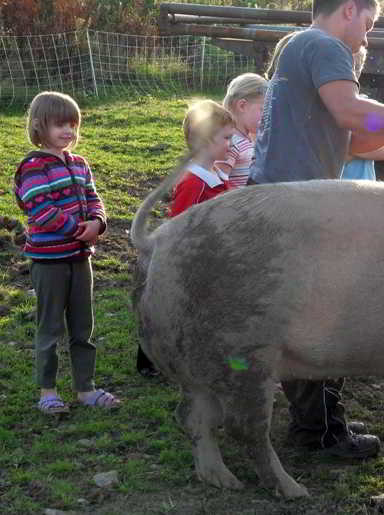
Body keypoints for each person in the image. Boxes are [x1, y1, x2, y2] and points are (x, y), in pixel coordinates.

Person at [248, 0, 384, 460]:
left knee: (299, 312)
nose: (368, 37)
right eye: (369, 24)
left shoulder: (295, 46)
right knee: (320, 315)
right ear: (348, 11)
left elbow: (358, 138)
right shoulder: (325, 46)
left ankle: (315, 424)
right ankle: (321, 435)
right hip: (297, 202)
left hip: (274, 195)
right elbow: (349, 112)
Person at [13, 91, 121, 414]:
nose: (68, 131)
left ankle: (85, 388)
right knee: (49, 328)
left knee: (82, 327)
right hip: (49, 262)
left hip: (80, 258)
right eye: (60, 124)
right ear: (39, 126)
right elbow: (42, 210)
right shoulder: (32, 167)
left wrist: (98, 223)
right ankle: (47, 391)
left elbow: (93, 198)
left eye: (72, 124)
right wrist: (79, 230)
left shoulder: (79, 163)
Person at [136, 100, 234, 377]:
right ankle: (151, 359)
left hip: (212, 256)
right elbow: (179, 223)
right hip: (193, 260)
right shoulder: (193, 181)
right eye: (226, 138)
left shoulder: (214, 174)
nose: (231, 144)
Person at [169, 100, 235, 216]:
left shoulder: (217, 174)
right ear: (205, 139)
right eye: (227, 137)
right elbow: (178, 227)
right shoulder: (192, 184)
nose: (233, 144)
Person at [341, 47, 384, 179]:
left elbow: (383, 150)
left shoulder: (367, 109)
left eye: (356, 67)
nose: (351, 72)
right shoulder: (322, 106)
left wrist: (344, 150)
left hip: (361, 190)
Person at [216, 73, 268, 188]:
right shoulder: (231, 143)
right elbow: (218, 185)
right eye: (263, 110)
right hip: (236, 205)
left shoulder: (248, 139)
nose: (267, 116)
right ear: (242, 106)